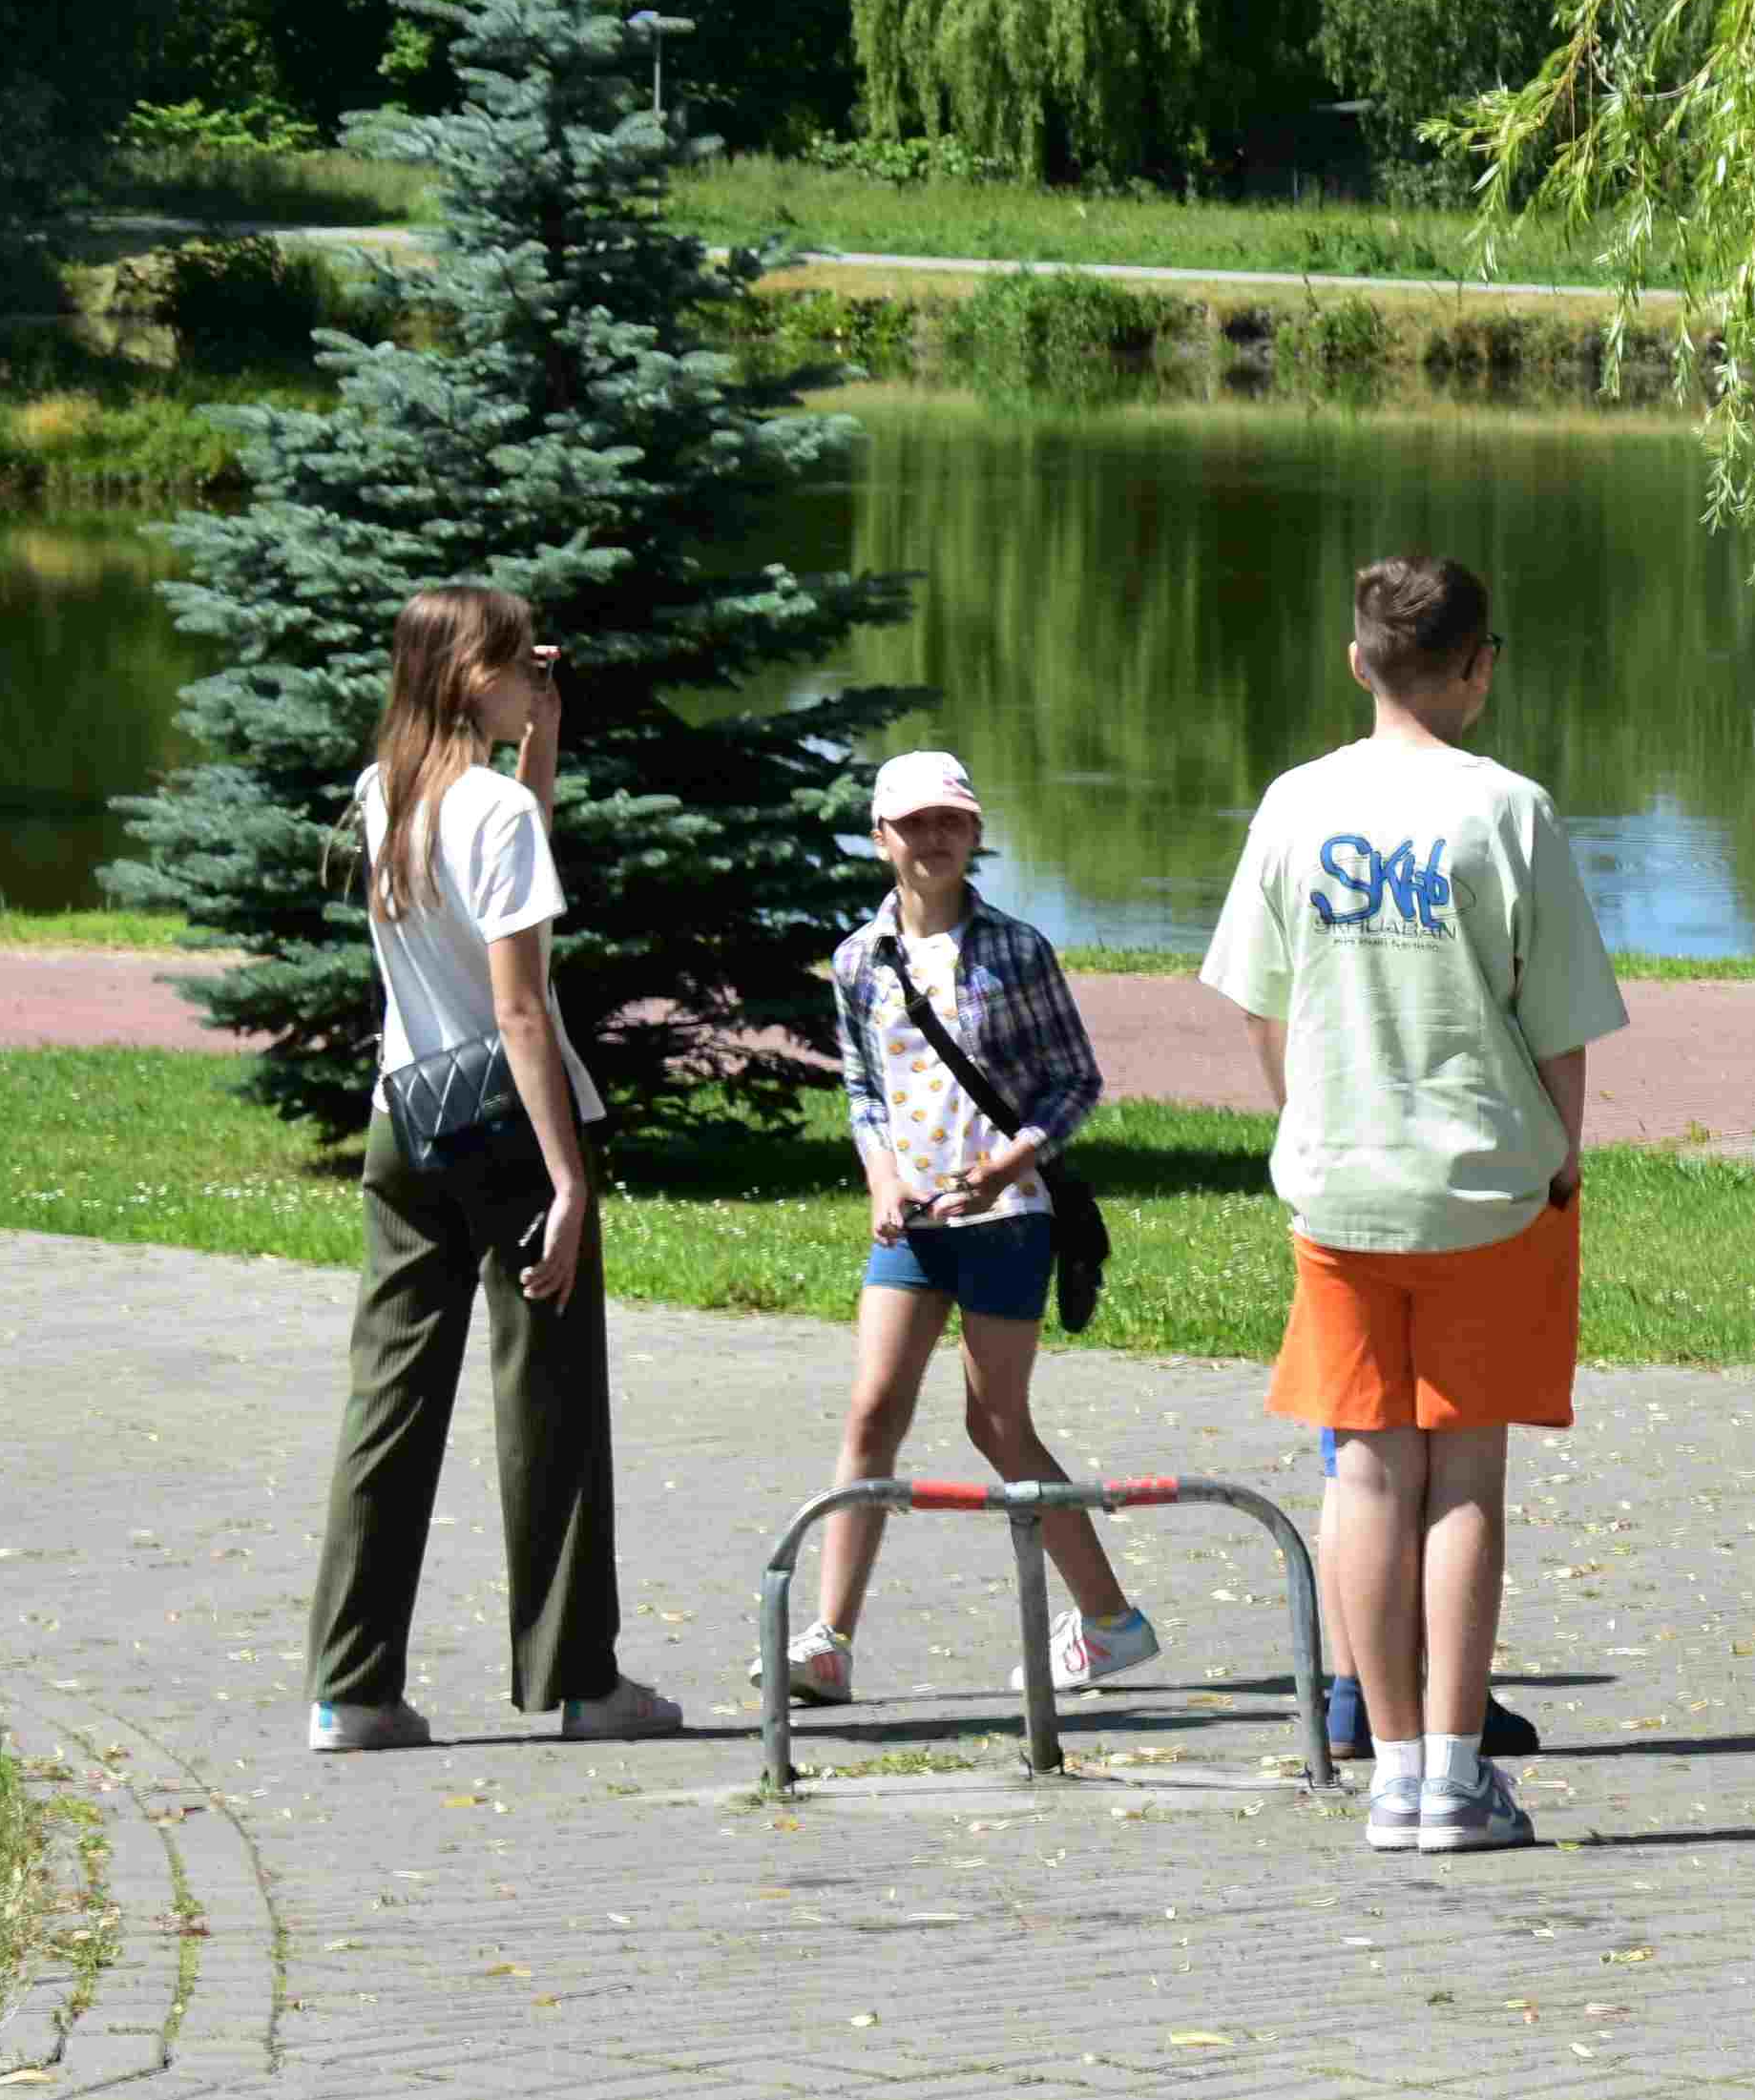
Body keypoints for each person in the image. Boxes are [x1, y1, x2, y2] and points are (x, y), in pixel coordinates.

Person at [1200, 553, 1629, 1861]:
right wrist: (1563, 1151)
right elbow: (1557, 1023)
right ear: (1478, 667)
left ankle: (1386, 1770)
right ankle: (1455, 1769)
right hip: (1482, 1182)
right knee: (1467, 1475)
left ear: (1356, 662)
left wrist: (1309, 1123)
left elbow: (1265, 1009)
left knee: (1368, 1470)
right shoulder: (1507, 811)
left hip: (1341, 1183)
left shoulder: (1294, 804)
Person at [308, 581, 677, 1750]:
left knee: (390, 1399)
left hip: (405, 1118)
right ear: (478, 678)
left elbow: (492, 890)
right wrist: (568, 1181)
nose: (536, 681)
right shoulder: (492, 815)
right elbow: (521, 1009)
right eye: (523, 667)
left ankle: (350, 1690)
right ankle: (578, 1681)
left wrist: (543, 749)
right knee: (550, 1403)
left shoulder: (386, 795)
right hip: (511, 1127)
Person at [766, 750, 1150, 1710]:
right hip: (911, 1225)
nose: (934, 837)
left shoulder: (1017, 949)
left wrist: (1014, 1161)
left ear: (975, 833)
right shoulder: (860, 958)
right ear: (880, 838)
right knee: (871, 1414)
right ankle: (829, 1643)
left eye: (952, 821)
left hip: (1008, 1219)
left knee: (995, 1424)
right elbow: (863, 1089)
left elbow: (1077, 1079)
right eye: (914, 823)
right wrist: (881, 1180)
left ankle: (1110, 1622)